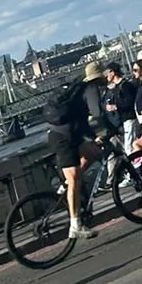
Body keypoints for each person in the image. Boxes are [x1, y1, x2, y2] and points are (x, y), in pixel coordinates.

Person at [43, 70, 101, 239]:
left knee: (94, 153)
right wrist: (101, 131)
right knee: (75, 177)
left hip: (69, 135)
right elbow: (96, 113)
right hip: (63, 139)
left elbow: (80, 120)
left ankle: (68, 187)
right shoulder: (90, 90)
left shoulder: (78, 89)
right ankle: (75, 225)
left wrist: (92, 137)